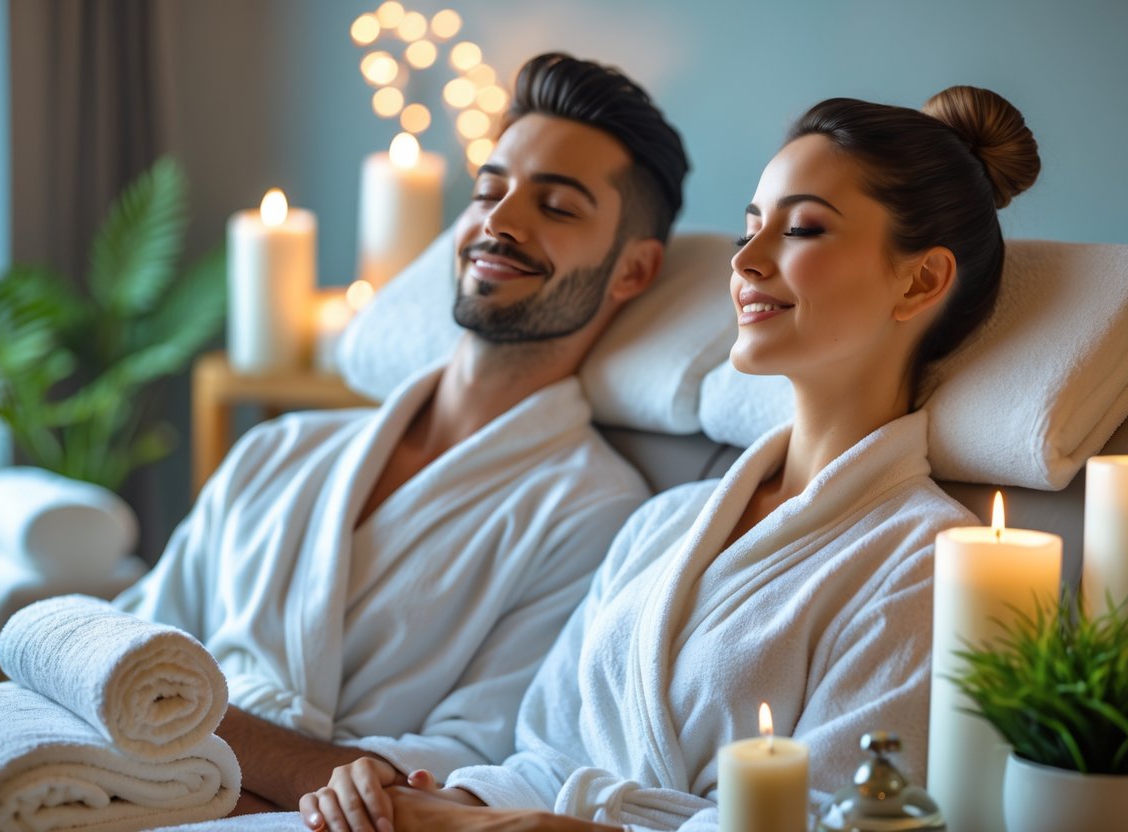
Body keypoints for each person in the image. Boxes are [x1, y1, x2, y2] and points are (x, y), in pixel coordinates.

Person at [299, 85, 1041, 831]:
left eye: (804, 229)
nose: (747, 261)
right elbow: (542, 758)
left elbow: (839, 816)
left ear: (919, 280)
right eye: (749, 229)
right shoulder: (666, 522)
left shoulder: (925, 563)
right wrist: (416, 799)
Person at [115, 51, 690, 814]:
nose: (500, 222)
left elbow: (477, 761)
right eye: (489, 190)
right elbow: (122, 646)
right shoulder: (280, 450)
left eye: (556, 208)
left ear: (634, 271)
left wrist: (170, 720)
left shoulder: (593, 513)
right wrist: (258, 749)